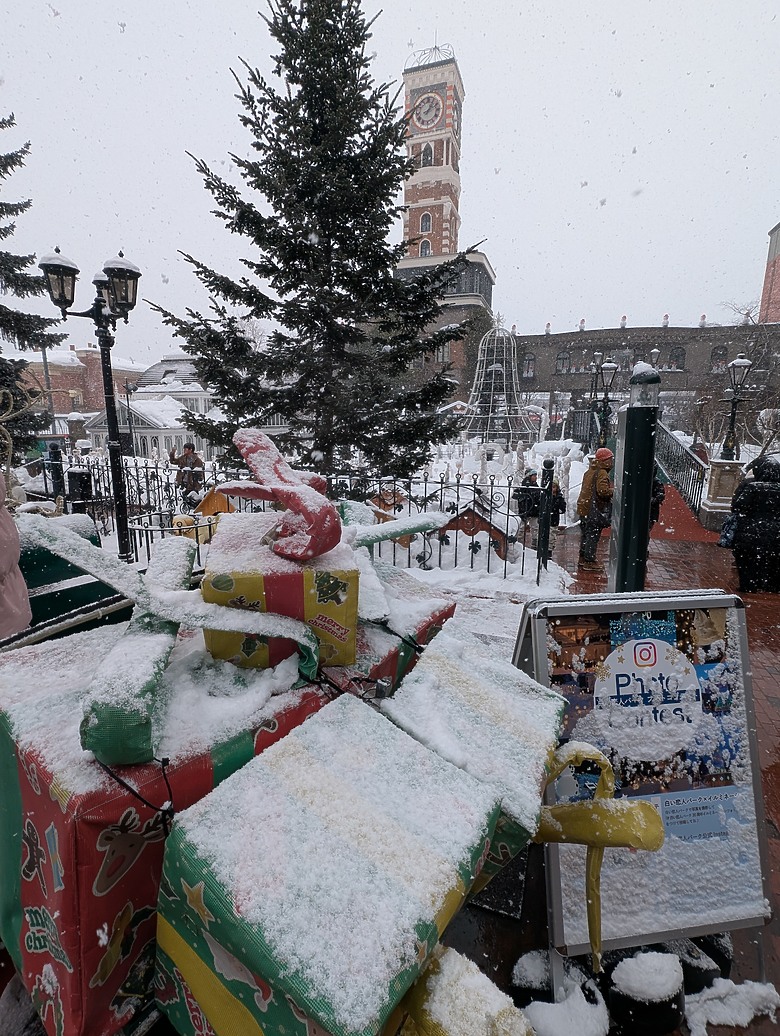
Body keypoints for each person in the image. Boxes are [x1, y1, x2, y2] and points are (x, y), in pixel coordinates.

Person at [729, 454, 780, 592]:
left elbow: (738, 506)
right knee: (773, 560)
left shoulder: (753, 487)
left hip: (751, 531)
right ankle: (772, 585)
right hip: (776, 533)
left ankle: (749, 585)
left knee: (747, 560)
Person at [576, 447, 614, 569]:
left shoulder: (589, 471)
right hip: (593, 510)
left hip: (584, 507)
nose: (611, 462)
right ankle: (589, 561)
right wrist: (614, 491)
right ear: (604, 461)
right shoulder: (602, 472)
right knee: (593, 535)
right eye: (610, 459)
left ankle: (583, 557)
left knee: (586, 534)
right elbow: (603, 491)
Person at [513, 470, 540, 547]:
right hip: (525, 511)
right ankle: (518, 543)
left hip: (534, 511)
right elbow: (516, 496)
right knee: (521, 528)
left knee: (535, 528)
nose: (535, 477)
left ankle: (534, 543)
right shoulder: (524, 486)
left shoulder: (536, 486)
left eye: (536, 476)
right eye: (534, 476)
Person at [548, 478, 568, 548]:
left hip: (554, 519)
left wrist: (558, 509)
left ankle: (550, 548)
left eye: (554, 487)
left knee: (552, 535)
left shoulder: (559, 497)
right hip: (547, 518)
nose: (552, 489)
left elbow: (563, 508)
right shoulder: (547, 496)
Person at [649, 466, 666, 531]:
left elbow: (661, 495)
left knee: (647, 528)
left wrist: (653, 500)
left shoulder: (656, 482)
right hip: (647, 509)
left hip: (651, 510)